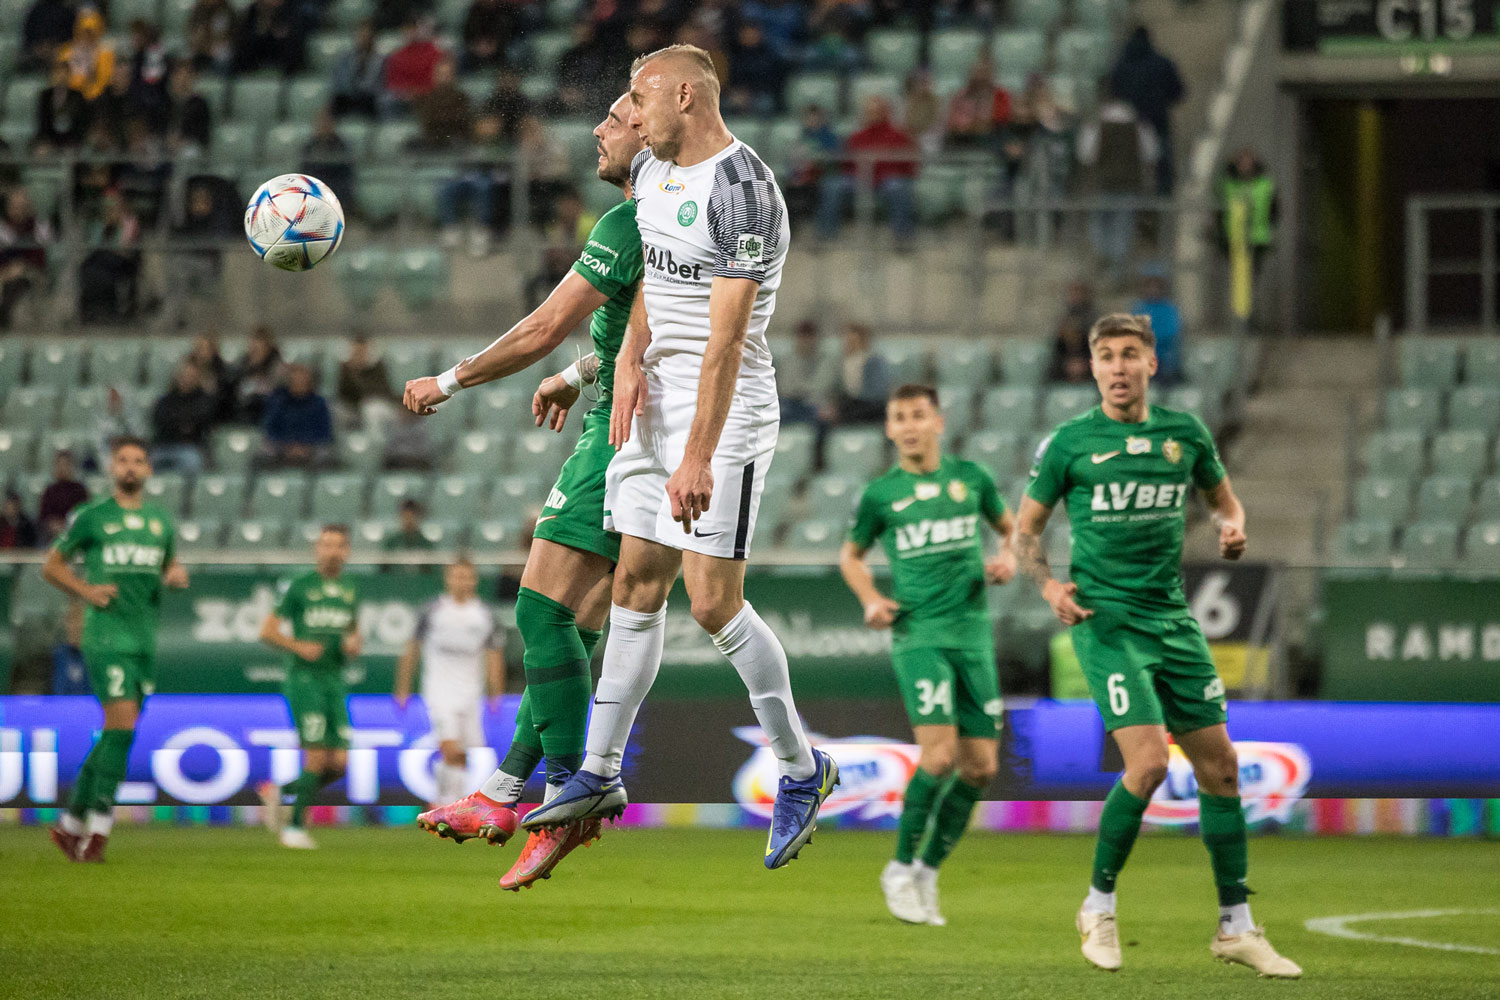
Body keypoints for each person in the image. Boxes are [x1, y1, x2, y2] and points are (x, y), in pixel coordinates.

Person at [518, 45, 838, 872]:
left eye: (639, 95)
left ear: (685, 94)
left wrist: (696, 457)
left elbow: (726, 342)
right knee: (635, 581)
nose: (630, 109)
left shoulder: (744, 193)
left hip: (722, 416)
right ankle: (597, 769)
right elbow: (656, 290)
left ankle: (803, 769)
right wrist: (613, 361)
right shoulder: (655, 176)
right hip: (654, 405)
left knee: (711, 603)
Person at [402, 92, 644, 891]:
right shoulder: (677, 219)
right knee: (575, 625)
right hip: (635, 424)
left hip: (623, 438)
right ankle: (513, 795)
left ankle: (563, 799)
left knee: (542, 612)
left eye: (617, 115)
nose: (600, 131)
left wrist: (450, 378)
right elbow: (645, 330)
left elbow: (543, 324)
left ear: (654, 126)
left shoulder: (629, 222)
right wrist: (577, 373)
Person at [1012, 313, 1301, 978]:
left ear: (1151, 365)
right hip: (1105, 622)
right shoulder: (1070, 445)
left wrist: (1232, 528)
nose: (1117, 367)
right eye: (1106, 356)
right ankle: (1097, 906)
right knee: (1147, 767)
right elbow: (1026, 533)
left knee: (1221, 769)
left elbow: (1226, 503)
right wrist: (1049, 586)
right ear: (1091, 368)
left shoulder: (1185, 434)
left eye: (1130, 355)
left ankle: (1235, 927)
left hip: (1171, 620)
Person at [840, 384, 1016, 926]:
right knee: (939, 758)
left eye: (919, 415)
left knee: (982, 768)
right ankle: (897, 868)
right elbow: (850, 555)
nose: (910, 425)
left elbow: (1013, 531)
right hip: (919, 635)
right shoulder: (881, 495)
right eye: (899, 417)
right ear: (889, 429)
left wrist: (1008, 557)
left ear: (938, 421)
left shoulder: (972, 479)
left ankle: (927, 872)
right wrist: (871, 599)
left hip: (973, 635)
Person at [43, 436, 189, 862]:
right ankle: (98, 831)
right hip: (106, 637)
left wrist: (176, 573)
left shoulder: (160, 522)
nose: (130, 467)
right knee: (122, 727)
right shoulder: (91, 517)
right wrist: (85, 590)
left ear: (148, 471)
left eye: (138, 461)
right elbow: (51, 565)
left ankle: (70, 825)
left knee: (117, 732)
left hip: (143, 638)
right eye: (123, 460)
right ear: (112, 468)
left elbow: (168, 567)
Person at [256, 525, 361, 850]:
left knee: (338, 764)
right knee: (315, 755)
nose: (332, 551)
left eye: (338, 545)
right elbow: (267, 631)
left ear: (347, 551)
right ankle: (294, 828)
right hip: (304, 681)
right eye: (326, 545)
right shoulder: (300, 587)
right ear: (318, 549)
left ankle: (278, 791)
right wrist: (298, 646)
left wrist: (355, 643)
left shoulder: (349, 589)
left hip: (334, 680)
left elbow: (353, 633)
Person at [394, 557, 506, 808]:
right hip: (439, 690)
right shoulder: (433, 610)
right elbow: (412, 648)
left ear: (475, 580)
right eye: (457, 576)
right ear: (448, 578)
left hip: (471, 692)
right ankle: (446, 804)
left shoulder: (484, 615)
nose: (462, 581)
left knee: (466, 753)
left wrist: (495, 692)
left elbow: (494, 653)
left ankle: (451, 802)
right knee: (450, 747)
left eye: (467, 576)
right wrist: (402, 688)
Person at [1076, 90, 1157, 287]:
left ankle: (1104, 258)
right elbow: (1151, 153)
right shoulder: (1139, 125)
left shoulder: (1096, 124)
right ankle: (1116, 272)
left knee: (1099, 224)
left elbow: (1085, 154)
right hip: (1128, 183)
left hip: (1101, 182)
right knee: (1123, 228)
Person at [817, 96, 918, 245]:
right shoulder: (856, 137)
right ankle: (825, 234)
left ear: (885, 112)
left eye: (877, 111)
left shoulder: (899, 136)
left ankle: (902, 236)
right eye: (869, 112)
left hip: (887, 180)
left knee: (899, 187)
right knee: (833, 185)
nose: (873, 115)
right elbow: (846, 165)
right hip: (859, 179)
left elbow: (909, 166)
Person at [1109, 26, 1184, 197]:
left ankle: (1134, 193)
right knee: (1162, 157)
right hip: (1157, 119)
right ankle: (1163, 192)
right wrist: (1161, 102)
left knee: (1132, 162)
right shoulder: (1162, 63)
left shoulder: (1121, 65)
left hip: (1129, 122)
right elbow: (1178, 91)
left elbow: (1114, 90)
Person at [1217, 147, 1277, 326]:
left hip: (1257, 239)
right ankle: (1238, 321)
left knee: (1252, 281)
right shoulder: (1228, 183)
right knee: (1237, 281)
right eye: (1241, 161)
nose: (1244, 166)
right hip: (1234, 239)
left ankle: (1249, 320)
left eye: (1248, 161)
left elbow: (1274, 211)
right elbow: (1218, 208)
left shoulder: (1265, 184)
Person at [0, 187, 56, 329]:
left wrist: (21, 267)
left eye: (23, 207)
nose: (19, 211)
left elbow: (40, 258)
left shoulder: (39, 226)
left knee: (17, 283)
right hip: (5, 273)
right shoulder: (3, 228)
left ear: (29, 208)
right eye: (15, 207)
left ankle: (5, 323)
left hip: (33, 273)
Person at [259, 363, 334, 469]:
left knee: (324, 453)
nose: (299, 384)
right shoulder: (279, 402)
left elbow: (325, 432)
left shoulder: (319, 403)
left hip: (310, 448)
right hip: (282, 448)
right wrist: (287, 446)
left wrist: (305, 447)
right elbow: (270, 430)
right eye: (296, 381)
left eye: (303, 382)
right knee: (266, 449)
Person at [150, 361, 218, 474]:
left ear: (197, 379)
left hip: (190, 448)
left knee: (192, 462)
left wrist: (178, 422)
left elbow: (201, 422)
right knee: (145, 463)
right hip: (164, 446)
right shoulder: (165, 400)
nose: (187, 379)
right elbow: (159, 420)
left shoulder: (204, 401)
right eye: (184, 376)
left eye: (191, 376)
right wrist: (182, 424)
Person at [382, 17, 446, 117]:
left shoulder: (435, 53)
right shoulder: (396, 55)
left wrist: (417, 93)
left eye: (414, 29)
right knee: (386, 100)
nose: (410, 33)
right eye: (407, 30)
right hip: (402, 98)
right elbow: (392, 82)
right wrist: (404, 93)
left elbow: (436, 81)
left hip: (426, 95)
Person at [944, 57, 1011, 151]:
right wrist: (973, 125)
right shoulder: (961, 95)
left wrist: (984, 124)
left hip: (993, 138)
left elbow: (1002, 118)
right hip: (963, 139)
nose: (982, 76)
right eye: (978, 71)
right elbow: (954, 122)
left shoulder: (1001, 95)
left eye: (985, 71)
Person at [777, 319, 833, 426]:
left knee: (824, 415)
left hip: (815, 404)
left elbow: (823, 386)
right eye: (803, 338)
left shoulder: (825, 361)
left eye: (809, 338)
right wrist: (801, 393)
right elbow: (784, 387)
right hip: (791, 404)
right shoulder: (787, 361)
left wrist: (801, 391)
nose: (806, 342)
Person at [832, 322, 891, 424]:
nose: (850, 344)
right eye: (848, 341)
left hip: (870, 404)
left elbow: (878, 390)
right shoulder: (842, 362)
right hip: (850, 404)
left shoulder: (873, 361)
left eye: (854, 341)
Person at [1131, 265, 1182, 383]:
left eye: (1156, 285)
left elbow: (1171, 332)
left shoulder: (1169, 309)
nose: (1152, 289)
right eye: (1149, 285)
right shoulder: (1138, 307)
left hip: (1165, 360)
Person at [336, 333, 397, 431]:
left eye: (362, 351)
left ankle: (374, 441)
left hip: (376, 404)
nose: (359, 355)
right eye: (356, 352)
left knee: (371, 410)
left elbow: (382, 390)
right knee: (337, 410)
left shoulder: (378, 367)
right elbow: (342, 392)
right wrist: (354, 371)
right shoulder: (346, 368)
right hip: (352, 405)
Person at [232, 0, 306, 75]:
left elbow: (294, 46)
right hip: (253, 65)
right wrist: (263, 24)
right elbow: (244, 42)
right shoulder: (253, 12)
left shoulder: (291, 12)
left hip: (283, 67)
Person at [58, 8, 115, 102]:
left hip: (94, 100)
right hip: (70, 98)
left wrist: (89, 96)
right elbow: (59, 77)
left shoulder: (105, 54)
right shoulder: (66, 51)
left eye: (91, 33)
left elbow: (104, 82)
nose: (87, 37)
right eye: (83, 32)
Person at [230, 325, 283, 423]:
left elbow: (275, 390)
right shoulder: (242, 364)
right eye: (253, 345)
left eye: (260, 346)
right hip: (244, 408)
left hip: (265, 407)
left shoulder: (276, 366)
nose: (255, 349)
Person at [33, 60, 89, 153]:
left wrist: (74, 140)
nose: (61, 76)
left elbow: (81, 121)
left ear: (69, 75)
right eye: (58, 73)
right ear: (53, 75)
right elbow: (42, 120)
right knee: (41, 151)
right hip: (50, 138)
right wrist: (46, 141)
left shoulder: (78, 95)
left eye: (64, 73)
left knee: (71, 152)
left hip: (71, 139)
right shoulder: (45, 95)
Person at [330, 19, 382, 118]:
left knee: (370, 100)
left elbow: (380, 85)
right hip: (349, 98)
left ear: (373, 38)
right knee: (338, 99)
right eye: (361, 35)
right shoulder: (345, 59)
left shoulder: (380, 60)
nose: (364, 39)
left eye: (367, 36)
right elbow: (339, 82)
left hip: (369, 99)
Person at [39, 448, 89, 540]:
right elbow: (44, 516)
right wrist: (54, 525)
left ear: (71, 466)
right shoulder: (49, 491)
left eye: (65, 464)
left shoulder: (79, 490)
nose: (62, 468)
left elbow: (84, 513)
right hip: (52, 536)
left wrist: (67, 525)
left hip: (75, 535)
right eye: (59, 464)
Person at [164, 63, 212, 158]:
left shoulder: (200, 103)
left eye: (186, 76)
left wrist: (183, 141)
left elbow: (202, 131)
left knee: (189, 153)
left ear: (192, 79)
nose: (182, 80)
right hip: (166, 142)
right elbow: (159, 125)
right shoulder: (166, 102)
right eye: (179, 76)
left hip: (189, 144)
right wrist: (167, 139)